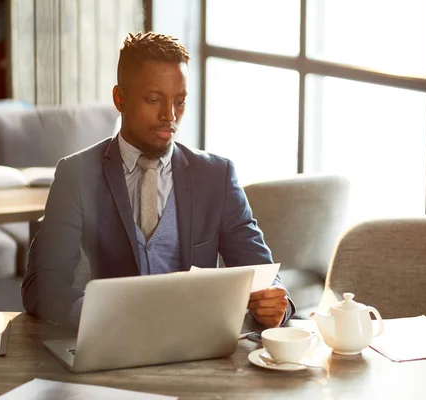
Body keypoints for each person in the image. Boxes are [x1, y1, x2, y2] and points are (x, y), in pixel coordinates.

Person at [21, 32, 295, 330]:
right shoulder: (76, 173)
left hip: (198, 348)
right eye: (153, 99)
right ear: (119, 98)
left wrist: (278, 304)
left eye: (179, 101)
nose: (169, 116)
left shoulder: (216, 176)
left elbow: (262, 272)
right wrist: (93, 318)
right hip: (113, 345)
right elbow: (41, 286)